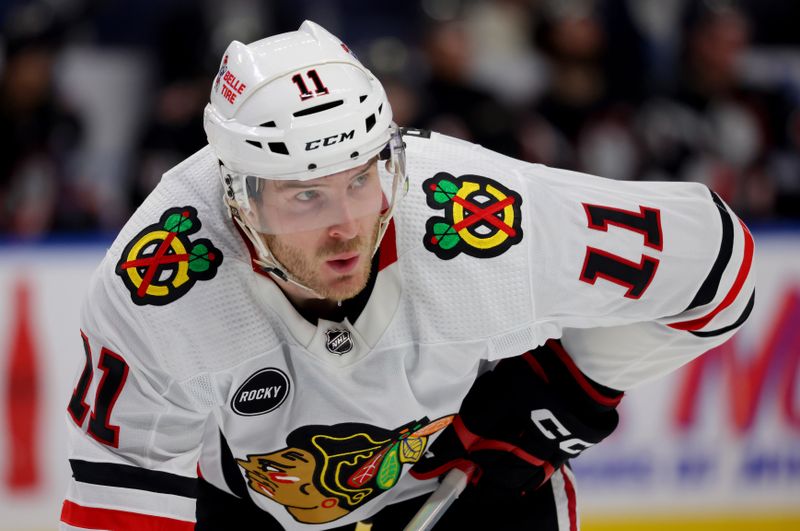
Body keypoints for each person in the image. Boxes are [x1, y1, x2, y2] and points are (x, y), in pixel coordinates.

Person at [60, 21, 754, 531]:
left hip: (467, 488)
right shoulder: (160, 281)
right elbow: (118, 501)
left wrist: (560, 395)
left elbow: (719, 261)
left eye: (360, 180)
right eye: (306, 195)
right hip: (253, 505)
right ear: (240, 195)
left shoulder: (476, 219)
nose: (346, 226)